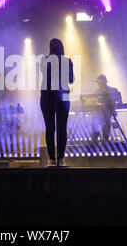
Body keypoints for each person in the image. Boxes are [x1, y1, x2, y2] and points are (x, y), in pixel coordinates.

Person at [40, 38, 74, 167]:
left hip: (56, 96)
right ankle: (57, 159)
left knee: (54, 128)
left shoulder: (63, 61)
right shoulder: (47, 60)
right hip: (52, 95)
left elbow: (71, 79)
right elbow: (70, 79)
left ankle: (55, 159)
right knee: (56, 128)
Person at [93, 74, 121, 142]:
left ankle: (105, 141)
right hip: (99, 113)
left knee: (105, 120)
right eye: (98, 83)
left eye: (100, 82)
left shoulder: (113, 90)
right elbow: (94, 102)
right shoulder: (97, 92)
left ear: (105, 81)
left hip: (109, 113)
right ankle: (95, 140)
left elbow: (119, 101)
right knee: (94, 121)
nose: (99, 84)